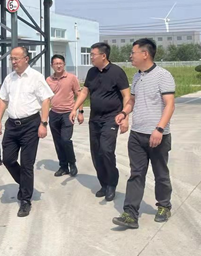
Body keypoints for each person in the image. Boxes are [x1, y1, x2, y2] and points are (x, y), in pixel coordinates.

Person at [113, 38, 176, 229]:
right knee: (136, 174)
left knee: (160, 173)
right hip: (137, 135)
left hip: (157, 135)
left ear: (145, 54)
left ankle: (164, 206)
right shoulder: (136, 77)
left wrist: (159, 129)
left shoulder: (163, 76)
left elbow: (170, 105)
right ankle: (130, 214)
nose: (130, 56)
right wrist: (124, 113)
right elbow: (132, 100)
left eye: (133, 52)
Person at [0, 46, 54, 218]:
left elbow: (46, 100)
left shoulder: (36, 77)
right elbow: (3, 99)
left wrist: (43, 123)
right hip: (12, 125)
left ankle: (25, 200)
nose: (13, 62)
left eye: (16, 59)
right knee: (7, 159)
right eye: (11, 59)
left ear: (26, 59)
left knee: (27, 164)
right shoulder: (9, 78)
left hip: (30, 125)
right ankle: (25, 184)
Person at [70, 42, 130, 202]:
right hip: (95, 118)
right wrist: (75, 108)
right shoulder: (92, 72)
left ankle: (111, 184)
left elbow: (126, 95)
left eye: (93, 55)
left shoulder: (117, 72)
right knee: (96, 152)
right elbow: (84, 92)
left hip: (112, 118)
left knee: (106, 150)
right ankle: (104, 183)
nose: (91, 57)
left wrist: (125, 117)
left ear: (103, 56)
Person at [46, 54, 82, 177]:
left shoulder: (71, 78)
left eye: (60, 63)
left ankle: (72, 163)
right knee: (58, 142)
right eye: (56, 63)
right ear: (52, 65)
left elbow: (79, 95)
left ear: (64, 64)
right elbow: (46, 99)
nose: (58, 66)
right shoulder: (48, 80)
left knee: (66, 140)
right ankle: (63, 166)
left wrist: (80, 112)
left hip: (68, 113)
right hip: (54, 114)